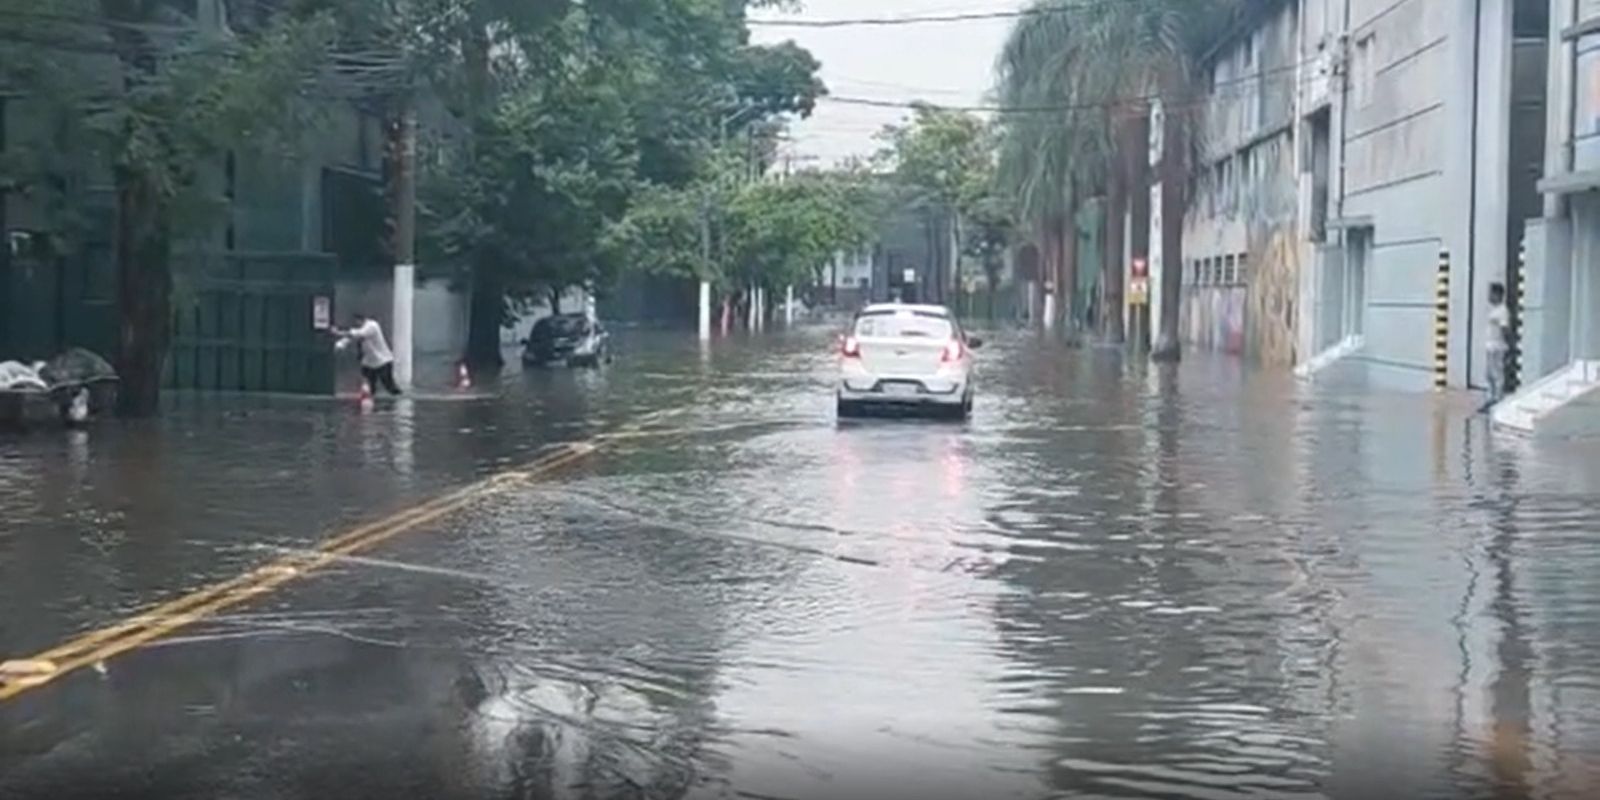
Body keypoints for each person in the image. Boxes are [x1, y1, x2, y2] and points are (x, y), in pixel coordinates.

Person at [335, 312, 401, 396]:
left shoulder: (372, 325)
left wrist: (338, 332)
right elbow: (350, 337)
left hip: (382, 361)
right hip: (368, 363)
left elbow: (360, 333)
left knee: (389, 386)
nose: (356, 325)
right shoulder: (359, 329)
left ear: (362, 320)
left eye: (357, 322)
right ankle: (370, 400)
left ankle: (398, 399)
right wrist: (339, 345)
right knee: (369, 386)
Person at [1484, 282, 1511, 408]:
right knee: (1489, 374)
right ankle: (1491, 398)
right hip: (1490, 347)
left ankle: (1498, 399)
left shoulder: (1502, 311)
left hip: (1497, 347)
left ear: (1497, 294)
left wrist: (1508, 344)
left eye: (1491, 293)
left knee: (1497, 374)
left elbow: (1505, 328)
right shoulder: (1494, 310)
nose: (1489, 296)